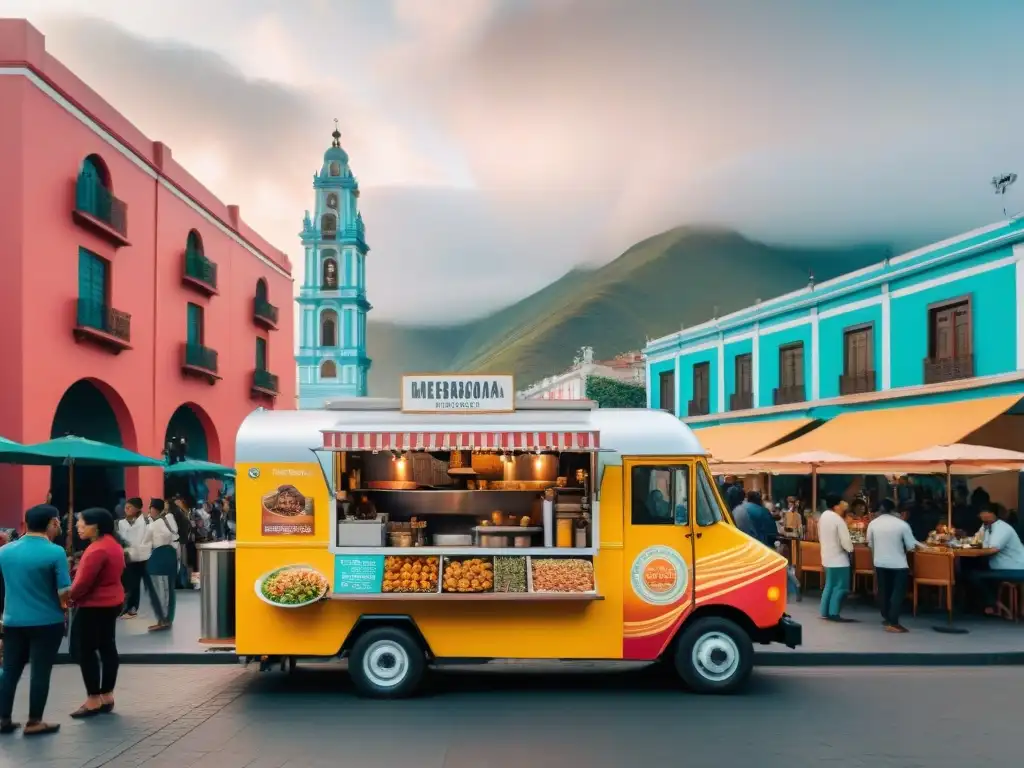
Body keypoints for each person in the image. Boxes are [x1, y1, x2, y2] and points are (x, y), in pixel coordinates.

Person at [0, 504, 70, 736]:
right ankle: (34, 721)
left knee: (9, 670)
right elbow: (64, 592)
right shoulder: (55, 552)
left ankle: (3, 718)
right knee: (40, 671)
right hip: (46, 621)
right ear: (52, 522)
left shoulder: (5, 551)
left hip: (12, 620)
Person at [68, 508, 125, 718]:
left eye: (82, 523)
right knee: (107, 646)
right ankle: (107, 694)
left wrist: (68, 598)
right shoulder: (114, 545)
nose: (78, 526)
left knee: (85, 651)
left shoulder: (96, 550)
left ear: (96, 526)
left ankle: (93, 698)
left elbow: (83, 583)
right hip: (111, 603)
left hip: (93, 606)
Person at [867, 500, 923, 633]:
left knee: (884, 591)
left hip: (879, 562)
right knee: (897, 592)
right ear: (894, 511)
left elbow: (870, 544)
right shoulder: (902, 525)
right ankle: (893, 622)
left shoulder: (873, 524)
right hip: (898, 563)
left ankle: (886, 617)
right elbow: (911, 545)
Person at [968, 505, 1024, 615]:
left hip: (1014, 567)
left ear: (993, 514)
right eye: (981, 513)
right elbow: (976, 540)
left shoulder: (1003, 528)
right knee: (969, 572)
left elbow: (993, 549)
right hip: (999, 566)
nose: (981, 515)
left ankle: (993, 604)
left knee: (973, 576)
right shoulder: (985, 526)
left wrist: (974, 552)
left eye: (984, 512)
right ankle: (990, 604)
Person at [818, 494, 855, 622]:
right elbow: (845, 541)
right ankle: (834, 612)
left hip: (826, 557)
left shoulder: (823, 516)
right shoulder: (838, 520)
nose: (843, 505)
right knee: (841, 587)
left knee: (829, 585)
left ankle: (824, 611)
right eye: (841, 503)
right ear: (836, 506)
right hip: (839, 559)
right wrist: (850, 550)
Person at [145, 498, 179, 632]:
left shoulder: (154, 525)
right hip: (170, 555)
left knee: (160, 589)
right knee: (169, 589)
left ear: (155, 509)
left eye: (150, 508)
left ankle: (162, 620)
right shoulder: (169, 519)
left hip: (158, 557)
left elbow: (145, 541)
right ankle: (168, 618)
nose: (149, 511)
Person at [116, 498, 151, 618]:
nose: (126, 510)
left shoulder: (146, 521)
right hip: (126, 555)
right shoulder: (121, 523)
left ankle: (132, 608)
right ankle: (124, 606)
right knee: (125, 581)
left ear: (137, 508)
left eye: (129, 507)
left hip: (141, 556)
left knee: (135, 583)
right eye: (125, 507)